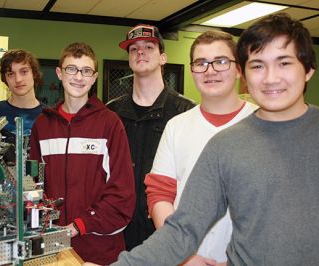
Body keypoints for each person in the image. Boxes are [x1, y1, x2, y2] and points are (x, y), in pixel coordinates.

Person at [85, 12, 318, 265]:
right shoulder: (225, 143)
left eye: (284, 63)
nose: (271, 77)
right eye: (258, 65)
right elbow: (181, 229)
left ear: (308, 69)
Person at [145, 30, 257, 266]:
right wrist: (183, 255)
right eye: (201, 63)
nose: (210, 70)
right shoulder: (176, 126)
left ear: (239, 69)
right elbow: (160, 195)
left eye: (221, 61)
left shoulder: (263, 123)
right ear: (192, 70)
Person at [29, 42, 135, 265]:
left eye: (86, 71)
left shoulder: (110, 123)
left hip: (100, 250)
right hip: (53, 248)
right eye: (71, 69)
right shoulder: (42, 125)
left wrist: (80, 225)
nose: (79, 77)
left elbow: (122, 195)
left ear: (95, 77)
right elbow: (34, 185)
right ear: (59, 73)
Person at [107, 24, 195, 251]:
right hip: (118, 231)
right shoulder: (111, 113)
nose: (140, 52)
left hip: (166, 231)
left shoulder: (186, 112)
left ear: (163, 58)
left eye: (148, 46)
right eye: (133, 49)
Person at [0, 49, 45, 144]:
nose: (18, 79)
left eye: (24, 72)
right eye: (11, 74)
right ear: (5, 79)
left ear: (34, 74)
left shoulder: (49, 117)